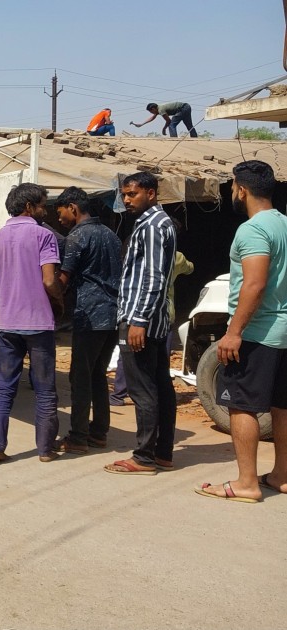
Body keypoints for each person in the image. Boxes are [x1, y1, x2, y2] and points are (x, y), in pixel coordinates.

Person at [196, 161, 287, 502]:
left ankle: (247, 483)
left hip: (257, 334)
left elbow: (254, 283)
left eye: (233, 187)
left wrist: (233, 332)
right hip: (284, 332)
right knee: (281, 407)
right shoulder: (284, 224)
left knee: (241, 407)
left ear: (241, 189)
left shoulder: (252, 230)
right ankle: (281, 474)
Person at [0, 183, 63, 464]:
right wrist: (60, 300)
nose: (45, 210)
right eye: (42, 204)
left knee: (4, 389)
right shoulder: (44, 236)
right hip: (38, 323)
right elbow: (50, 280)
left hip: (6, 323)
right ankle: (45, 450)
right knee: (45, 390)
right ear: (29, 207)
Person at [104, 172, 177, 475]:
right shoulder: (158, 224)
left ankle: (144, 457)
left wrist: (138, 320)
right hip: (153, 320)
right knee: (160, 385)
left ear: (150, 193)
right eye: (124, 194)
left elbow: (153, 276)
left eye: (132, 194)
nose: (126, 200)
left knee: (143, 389)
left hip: (141, 320)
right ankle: (162, 452)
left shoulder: (152, 226)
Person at [52, 187, 122, 454]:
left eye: (61, 213)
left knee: (80, 377)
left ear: (73, 207)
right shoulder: (111, 236)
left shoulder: (78, 236)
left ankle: (78, 436)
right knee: (97, 375)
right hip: (113, 316)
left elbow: (63, 279)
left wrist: (49, 298)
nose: (60, 219)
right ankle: (99, 432)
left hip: (90, 316)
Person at [110, 249, 193, 405]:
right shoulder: (176, 256)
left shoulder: (140, 256)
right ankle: (155, 394)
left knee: (128, 356)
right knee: (161, 358)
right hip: (165, 315)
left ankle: (118, 394)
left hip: (137, 314)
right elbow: (190, 268)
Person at [133, 102, 198, 138]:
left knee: (172, 125)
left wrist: (164, 128)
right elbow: (152, 117)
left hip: (183, 108)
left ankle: (174, 140)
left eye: (151, 112)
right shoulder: (158, 109)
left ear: (153, 109)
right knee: (189, 125)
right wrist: (142, 124)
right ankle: (195, 138)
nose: (152, 113)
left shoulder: (161, 110)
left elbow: (168, 121)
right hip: (187, 107)